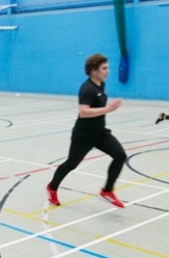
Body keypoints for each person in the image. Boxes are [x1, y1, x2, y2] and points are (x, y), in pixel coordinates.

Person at [45, 54, 127, 208]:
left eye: (107, 68)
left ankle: (107, 191)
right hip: (84, 135)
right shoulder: (87, 88)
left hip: (100, 133)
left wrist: (107, 108)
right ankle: (52, 187)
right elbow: (83, 112)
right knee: (71, 164)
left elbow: (97, 107)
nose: (107, 71)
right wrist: (109, 109)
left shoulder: (100, 85)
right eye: (104, 68)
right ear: (94, 70)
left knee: (120, 155)